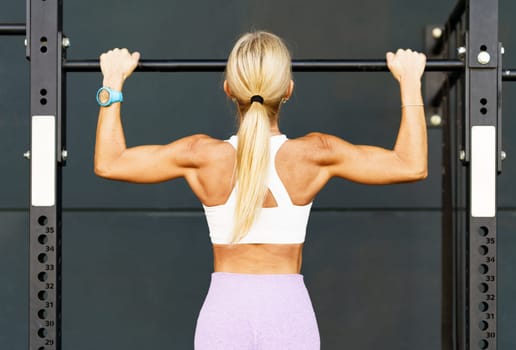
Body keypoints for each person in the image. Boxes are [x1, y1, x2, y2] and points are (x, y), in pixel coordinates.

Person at [94, 31, 427, 350]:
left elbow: (110, 162)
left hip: (224, 312)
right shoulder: (314, 154)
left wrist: (112, 82)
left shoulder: (200, 155)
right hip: (287, 311)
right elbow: (410, 165)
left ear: (228, 89)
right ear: (288, 91)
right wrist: (410, 82)